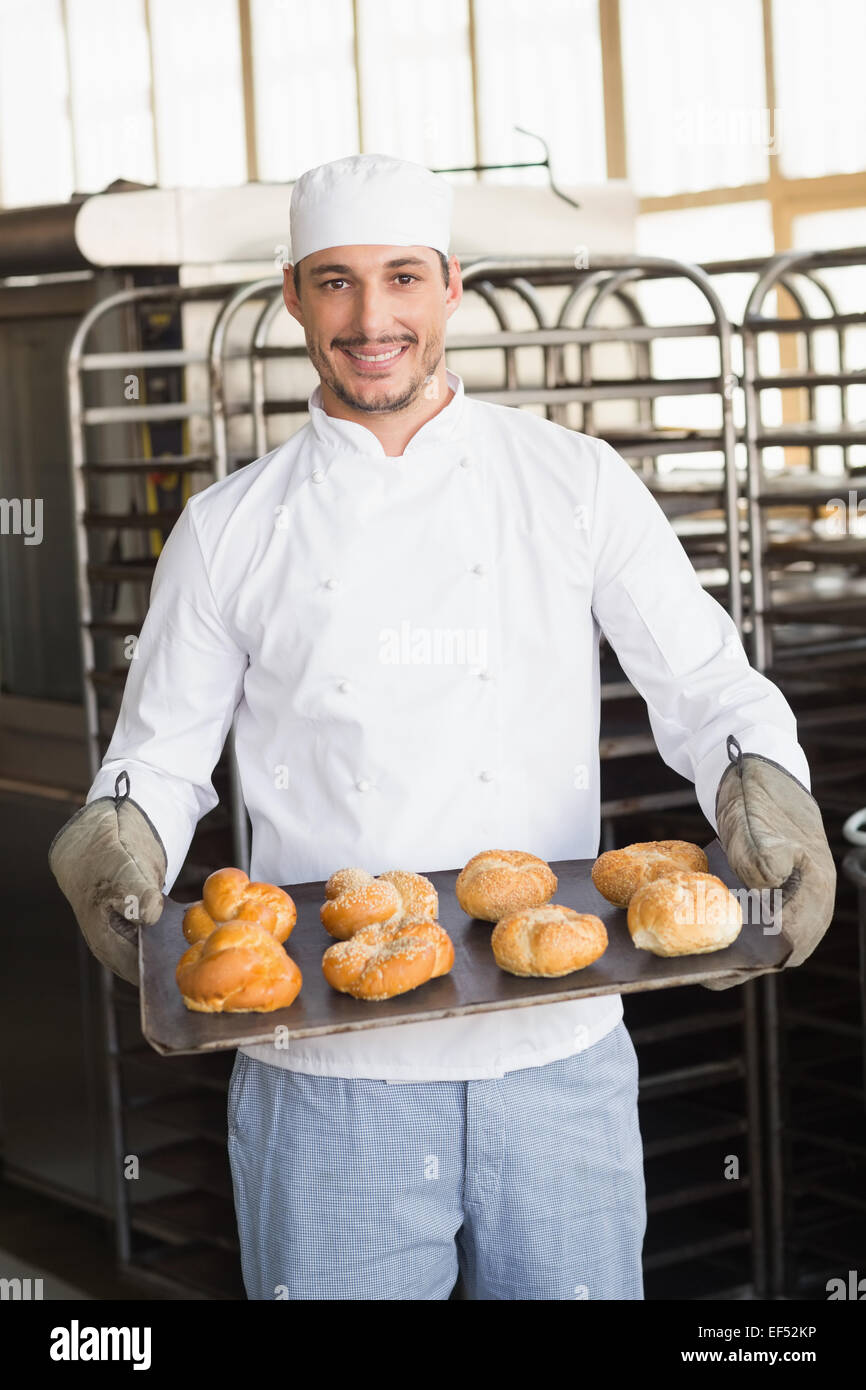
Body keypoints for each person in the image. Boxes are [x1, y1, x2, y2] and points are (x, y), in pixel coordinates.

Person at [49, 153, 836, 1301]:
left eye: (402, 278)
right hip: (322, 1079)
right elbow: (161, 757)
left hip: (554, 1059)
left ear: (450, 288)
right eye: (335, 283)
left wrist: (764, 792)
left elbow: (706, 685)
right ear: (291, 296)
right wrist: (120, 839)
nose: (372, 319)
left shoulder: (572, 482)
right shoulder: (228, 529)